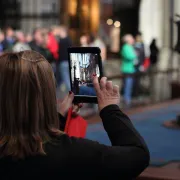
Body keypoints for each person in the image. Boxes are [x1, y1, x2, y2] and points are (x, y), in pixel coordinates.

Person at [0, 50, 149, 180]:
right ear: (47, 94)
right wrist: (110, 109)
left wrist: (58, 118)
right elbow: (138, 155)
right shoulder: (72, 153)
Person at [121, 34, 137, 107]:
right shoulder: (126, 47)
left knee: (129, 85)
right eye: (131, 39)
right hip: (127, 69)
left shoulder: (130, 47)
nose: (133, 40)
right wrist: (135, 55)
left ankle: (128, 98)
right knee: (127, 85)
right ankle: (126, 99)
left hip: (131, 69)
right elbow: (131, 56)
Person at [58, 25, 72, 91]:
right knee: (66, 78)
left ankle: (72, 93)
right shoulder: (69, 40)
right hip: (68, 61)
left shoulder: (62, 41)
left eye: (60, 31)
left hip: (63, 61)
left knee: (66, 79)